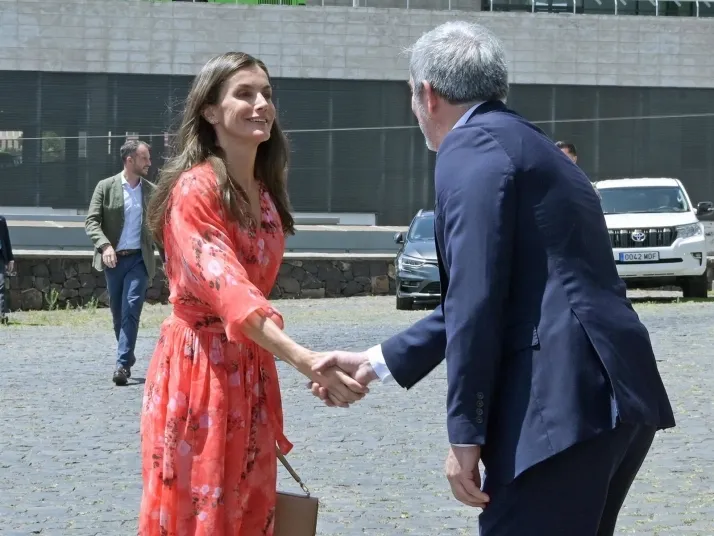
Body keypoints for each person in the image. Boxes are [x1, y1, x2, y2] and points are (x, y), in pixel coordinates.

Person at [309, 21, 675, 536]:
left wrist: (466, 434)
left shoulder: (472, 146)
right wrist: (376, 361)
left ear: (428, 94)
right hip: (611, 394)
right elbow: (496, 292)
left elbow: (475, 299)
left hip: (560, 406)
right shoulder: (530, 145)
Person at [138, 52, 366, 536]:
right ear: (210, 110)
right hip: (200, 370)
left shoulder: (264, 192)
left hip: (249, 368)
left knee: (248, 509)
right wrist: (305, 359)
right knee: (204, 511)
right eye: (244, 93)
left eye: (267, 94)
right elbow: (232, 294)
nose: (261, 104)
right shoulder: (194, 190)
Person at [85, 139, 158, 386]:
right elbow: (91, 221)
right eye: (144, 158)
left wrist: (171, 260)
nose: (149, 163)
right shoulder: (105, 187)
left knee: (132, 306)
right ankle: (127, 352)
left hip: (139, 259)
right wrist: (105, 245)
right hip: (114, 260)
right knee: (118, 314)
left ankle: (122, 365)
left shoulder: (151, 191)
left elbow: (160, 228)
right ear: (130, 160)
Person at [0, 215, 15, 325]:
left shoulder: (1, 220)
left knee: (1, 285)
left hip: (0, 257)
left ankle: (1, 315)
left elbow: (6, 239)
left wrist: (10, 258)